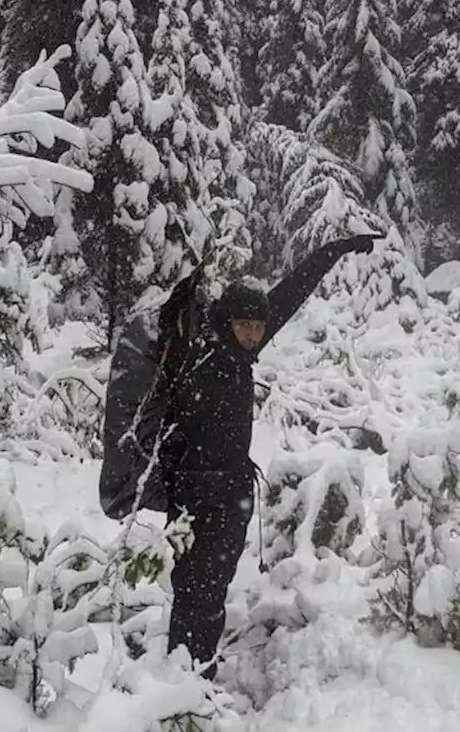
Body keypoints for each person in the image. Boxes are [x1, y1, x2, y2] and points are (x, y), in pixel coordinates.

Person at [159, 234, 377, 675]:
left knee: (213, 589)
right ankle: (183, 682)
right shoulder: (202, 355)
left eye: (259, 327)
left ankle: (197, 675)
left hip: (231, 493)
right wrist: (187, 487)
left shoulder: (243, 348)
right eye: (246, 326)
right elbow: (171, 421)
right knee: (191, 590)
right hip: (194, 496)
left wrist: (332, 250)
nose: (254, 334)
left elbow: (292, 291)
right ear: (229, 322)